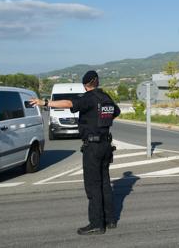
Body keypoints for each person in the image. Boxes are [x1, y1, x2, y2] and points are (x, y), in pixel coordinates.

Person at [31, 70, 120, 235]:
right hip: (106, 145)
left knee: (93, 186)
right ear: (97, 82)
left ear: (85, 85)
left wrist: (44, 102)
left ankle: (96, 224)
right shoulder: (106, 97)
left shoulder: (88, 98)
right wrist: (100, 124)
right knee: (105, 184)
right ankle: (110, 220)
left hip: (93, 147)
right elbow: (116, 112)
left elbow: (68, 103)